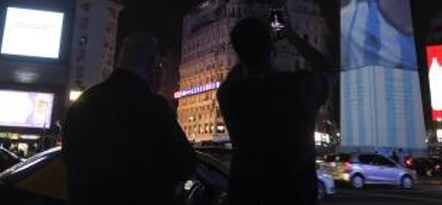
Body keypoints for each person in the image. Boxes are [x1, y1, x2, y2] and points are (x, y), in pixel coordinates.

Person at [63, 32, 196, 205]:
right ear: (153, 65)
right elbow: (184, 163)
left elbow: (69, 158)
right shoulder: (152, 107)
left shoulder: (84, 102)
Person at [217, 18, 335, 205]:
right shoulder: (296, 88)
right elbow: (328, 71)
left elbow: (231, 79)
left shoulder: (230, 95)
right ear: (272, 51)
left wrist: (248, 52)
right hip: (295, 196)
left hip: (246, 196)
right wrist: (290, 35)